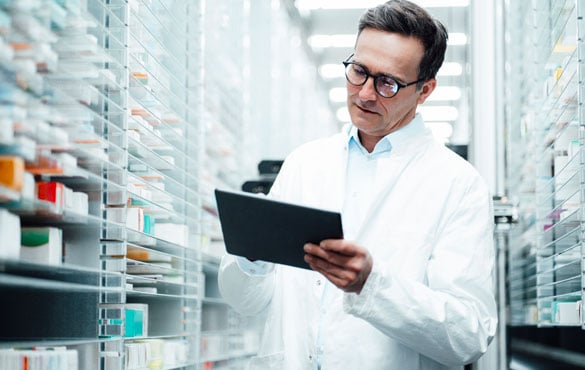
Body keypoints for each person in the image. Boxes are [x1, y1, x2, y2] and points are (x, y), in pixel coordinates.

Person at [218, 1, 497, 369]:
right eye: (359, 71)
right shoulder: (305, 163)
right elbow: (249, 302)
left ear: (425, 90)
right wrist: (250, 256)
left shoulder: (458, 184)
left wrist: (373, 287)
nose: (365, 93)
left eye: (388, 83)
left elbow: (469, 335)